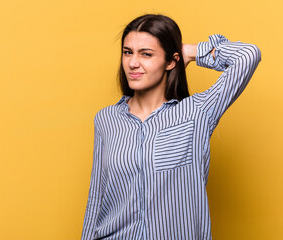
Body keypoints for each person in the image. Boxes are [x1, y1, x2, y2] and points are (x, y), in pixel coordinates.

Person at [81, 14, 261, 240]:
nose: (133, 63)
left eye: (146, 54)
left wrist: (191, 51)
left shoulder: (196, 113)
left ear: (171, 61)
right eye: (128, 52)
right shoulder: (107, 119)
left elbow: (248, 55)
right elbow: (96, 197)